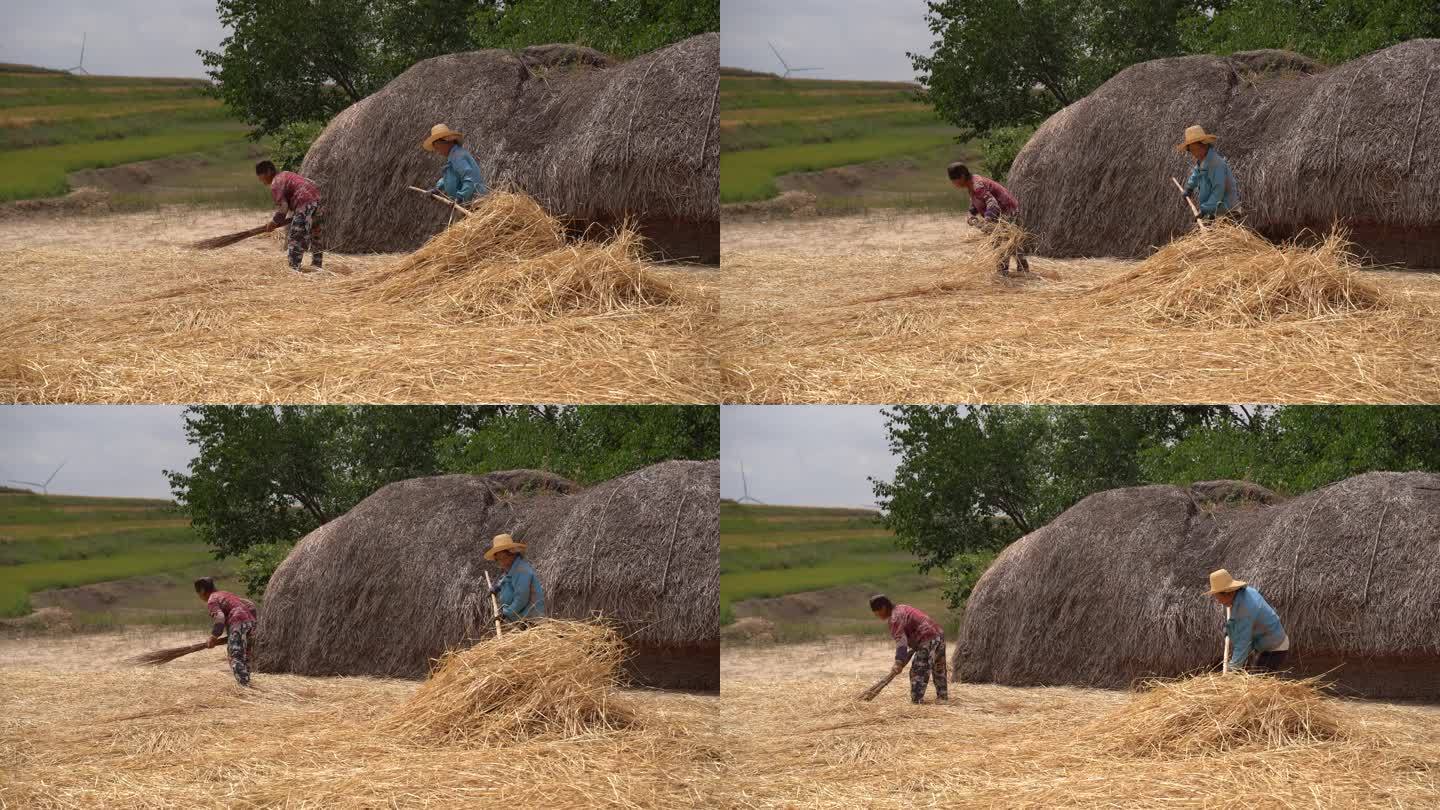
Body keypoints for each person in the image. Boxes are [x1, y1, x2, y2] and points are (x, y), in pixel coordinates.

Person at [947, 162, 1029, 276]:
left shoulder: (977, 186)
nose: (953, 184)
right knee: (1002, 244)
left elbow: (992, 204)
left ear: (961, 176)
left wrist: (987, 221)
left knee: (1007, 245)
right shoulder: (971, 185)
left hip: (1008, 214)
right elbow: (977, 202)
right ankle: (1007, 272)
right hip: (1001, 215)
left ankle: (1016, 273)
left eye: (953, 180)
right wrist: (971, 214)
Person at [1208, 569, 1290, 673]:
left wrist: (1231, 671)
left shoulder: (1246, 608)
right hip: (1265, 644)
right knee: (1255, 675)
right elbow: (1235, 620)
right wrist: (1229, 629)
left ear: (1228, 593)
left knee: (1259, 683)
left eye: (1218, 598)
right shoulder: (1242, 594)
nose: (1218, 601)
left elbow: (1243, 644)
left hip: (1275, 648)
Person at [870, 594, 947, 704]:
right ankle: (943, 698)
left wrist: (898, 662)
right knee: (938, 668)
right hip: (938, 635)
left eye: (877, 612)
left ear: (883, 607)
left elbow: (901, 641)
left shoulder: (894, 618)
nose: (877, 615)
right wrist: (905, 658)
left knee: (918, 671)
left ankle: (916, 702)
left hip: (927, 640)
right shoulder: (901, 608)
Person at [255, 160, 323, 272]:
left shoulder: (276, 182)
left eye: (260, 176)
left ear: (268, 172)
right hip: (316, 200)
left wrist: (274, 222)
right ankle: (317, 265)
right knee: (315, 235)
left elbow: (283, 207)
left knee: (295, 236)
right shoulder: (286, 174)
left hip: (304, 203)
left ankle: (293, 269)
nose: (261, 180)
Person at [195, 576, 258, 687]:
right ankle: (247, 683)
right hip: (250, 623)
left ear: (202, 591)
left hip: (237, 622)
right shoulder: (226, 594)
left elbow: (220, 617)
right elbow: (250, 605)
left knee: (235, 656)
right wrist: (250, 622)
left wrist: (214, 637)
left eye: (198, 593)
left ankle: (245, 687)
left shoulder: (212, 600)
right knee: (245, 655)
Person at [1177, 125, 1240, 221]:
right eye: (1192, 150)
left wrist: (1205, 209)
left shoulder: (1215, 164)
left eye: (1197, 149)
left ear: (1204, 145)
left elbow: (1218, 190)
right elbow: (1196, 174)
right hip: (1215, 210)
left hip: (1228, 211)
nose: (1195, 153)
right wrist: (1189, 188)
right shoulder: (1202, 161)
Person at [485, 533, 545, 627]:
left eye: (504, 557)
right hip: (521, 620)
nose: (502, 562)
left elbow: (521, 598)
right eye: (499, 559)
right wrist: (497, 587)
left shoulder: (522, 571)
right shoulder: (511, 569)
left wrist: (506, 613)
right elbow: (506, 579)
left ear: (512, 554)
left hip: (531, 620)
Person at [422, 123, 486, 205]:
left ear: (446, 142)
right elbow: (450, 177)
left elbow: (470, 178)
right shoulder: (453, 157)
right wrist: (437, 189)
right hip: (469, 203)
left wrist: (460, 197)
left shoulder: (458, 156)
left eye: (438, 147)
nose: (438, 152)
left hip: (476, 202)